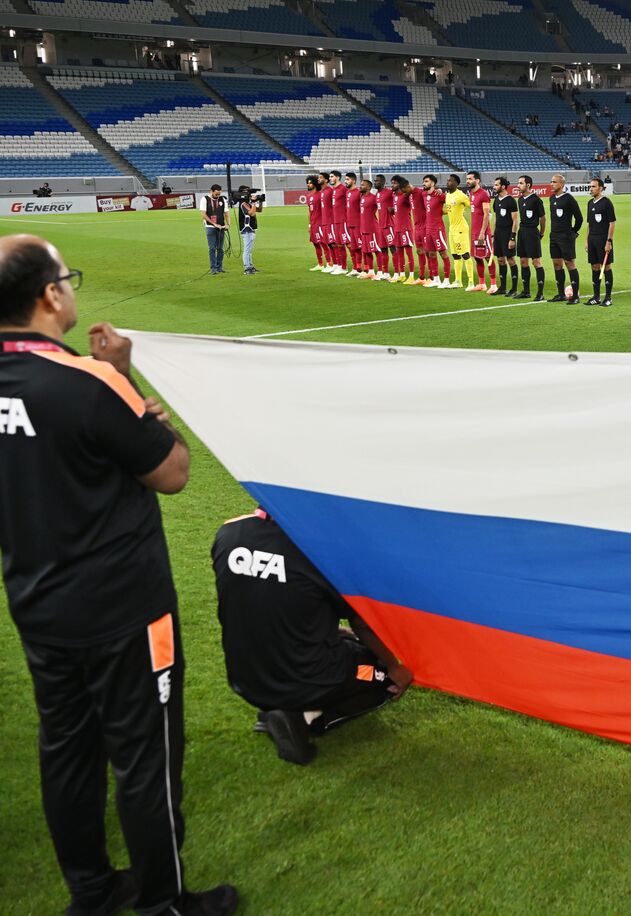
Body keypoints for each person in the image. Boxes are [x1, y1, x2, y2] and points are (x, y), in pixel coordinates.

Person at [0, 235, 237, 915]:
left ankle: (93, 892)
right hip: (123, 608)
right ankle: (163, 902)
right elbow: (172, 471)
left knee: (67, 750)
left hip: (38, 602)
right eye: (66, 278)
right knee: (145, 756)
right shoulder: (89, 379)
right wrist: (126, 381)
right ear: (50, 295)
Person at [212, 509, 413, 766]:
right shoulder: (320, 550)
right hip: (307, 677)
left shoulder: (229, 532)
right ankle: (305, 717)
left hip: (245, 676)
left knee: (349, 644)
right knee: (383, 677)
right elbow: (362, 624)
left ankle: (287, 708)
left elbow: (262, 600)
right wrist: (394, 665)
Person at [547, 174, 583, 304]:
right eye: (551, 182)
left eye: (554, 182)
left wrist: (573, 232)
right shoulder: (551, 198)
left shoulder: (569, 199)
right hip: (554, 236)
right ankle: (561, 294)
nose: (551, 184)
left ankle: (575, 296)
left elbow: (579, 218)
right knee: (557, 264)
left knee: (569, 263)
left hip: (566, 236)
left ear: (561, 184)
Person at [514, 175, 547, 301]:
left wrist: (542, 233)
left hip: (533, 232)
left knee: (536, 262)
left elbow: (543, 218)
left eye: (521, 183)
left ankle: (540, 293)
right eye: (518, 183)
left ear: (528, 185)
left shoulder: (536, 200)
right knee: (523, 261)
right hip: (522, 232)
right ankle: (526, 291)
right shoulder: (520, 200)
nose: (518, 185)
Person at [584, 177, 616, 306]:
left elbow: (612, 223)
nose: (590, 189)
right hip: (592, 239)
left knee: (606, 267)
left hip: (603, 239)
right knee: (594, 266)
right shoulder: (590, 203)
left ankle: (608, 298)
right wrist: (586, 241)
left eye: (593, 186)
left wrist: (609, 241)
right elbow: (589, 224)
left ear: (601, 188)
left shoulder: (607, 203)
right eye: (590, 186)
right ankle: (596, 297)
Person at [465, 171, 496, 292]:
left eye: (470, 179)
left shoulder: (483, 194)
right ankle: (481, 284)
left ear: (477, 180)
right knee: (477, 257)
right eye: (467, 179)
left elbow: (486, 214)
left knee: (488, 257)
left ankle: (493, 285)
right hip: (474, 232)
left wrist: (483, 232)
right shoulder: (471, 193)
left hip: (483, 233)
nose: (468, 181)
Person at [490, 176, 518, 296]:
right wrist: (493, 234)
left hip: (508, 235)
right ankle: (503, 287)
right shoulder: (496, 200)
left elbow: (515, 221)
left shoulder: (511, 201)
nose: (494, 187)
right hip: (498, 235)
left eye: (496, 185)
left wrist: (512, 238)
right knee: (500, 259)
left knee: (510, 260)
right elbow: (496, 218)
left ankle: (514, 288)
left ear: (503, 186)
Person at [421, 175, 450, 288]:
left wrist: (441, 191)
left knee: (443, 253)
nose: (424, 183)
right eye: (423, 181)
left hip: (438, 229)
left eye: (426, 181)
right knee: (431, 254)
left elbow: (451, 200)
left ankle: (446, 280)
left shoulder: (439, 195)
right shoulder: (423, 194)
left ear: (433, 183)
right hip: (428, 229)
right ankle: (436, 279)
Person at [443, 174, 471, 290]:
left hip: (460, 229)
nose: (447, 182)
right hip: (452, 229)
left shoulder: (461, 196)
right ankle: (458, 281)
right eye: (447, 180)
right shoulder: (448, 195)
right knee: (455, 255)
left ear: (456, 183)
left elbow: (472, 206)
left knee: (465, 254)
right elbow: (448, 210)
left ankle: (471, 282)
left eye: (450, 181)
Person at [355, 177, 382, 281]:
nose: (360, 186)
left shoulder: (373, 197)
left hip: (372, 229)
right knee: (366, 251)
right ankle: (371, 272)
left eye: (362, 185)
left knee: (377, 250)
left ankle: (380, 272)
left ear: (369, 187)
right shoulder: (362, 197)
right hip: (364, 229)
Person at [389, 176, 415, 284]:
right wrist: (393, 211)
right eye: (392, 183)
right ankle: (402, 274)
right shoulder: (394, 196)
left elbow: (414, 191)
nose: (392, 185)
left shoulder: (406, 196)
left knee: (409, 252)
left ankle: (412, 276)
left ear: (400, 185)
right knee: (399, 252)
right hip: (397, 228)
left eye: (394, 183)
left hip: (406, 228)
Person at [201, 184, 228, 275]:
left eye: (219, 194)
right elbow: (203, 214)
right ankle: (213, 268)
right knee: (212, 248)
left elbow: (226, 213)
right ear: (211, 191)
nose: (218, 196)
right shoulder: (204, 199)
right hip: (210, 227)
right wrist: (214, 224)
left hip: (221, 227)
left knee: (220, 248)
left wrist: (228, 224)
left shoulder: (223, 199)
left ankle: (219, 267)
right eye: (216, 194)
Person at [235, 185, 261, 276]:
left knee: (249, 250)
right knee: (247, 250)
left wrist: (259, 201)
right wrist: (254, 203)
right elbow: (252, 213)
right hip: (247, 229)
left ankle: (250, 266)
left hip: (250, 228)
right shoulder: (243, 203)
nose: (249, 194)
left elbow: (259, 210)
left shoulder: (247, 203)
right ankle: (247, 268)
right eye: (247, 192)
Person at [317, 171, 339, 275]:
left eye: (320, 178)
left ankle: (339, 265)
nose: (318, 179)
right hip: (324, 221)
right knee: (329, 244)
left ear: (326, 180)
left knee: (334, 243)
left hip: (331, 221)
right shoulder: (321, 192)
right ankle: (334, 265)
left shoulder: (330, 191)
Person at [409, 175, 429, 285]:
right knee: (419, 251)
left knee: (428, 252)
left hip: (426, 227)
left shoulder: (420, 192)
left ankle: (432, 277)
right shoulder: (410, 195)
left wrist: (439, 190)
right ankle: (422, 277)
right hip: (416, 227)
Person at [329, 170, 350, 273]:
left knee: (348, 244)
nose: (330, 179)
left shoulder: (343, 189)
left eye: (332, 176)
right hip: (336, 221)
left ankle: (356, 267)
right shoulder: (334, 190)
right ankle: (342, 266)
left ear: (337, 177)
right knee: (338, 244)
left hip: (343, 221)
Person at [374, 174, 394, 280]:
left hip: (389, 225)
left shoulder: (389, 192)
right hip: (381, 226)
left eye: (377, 181)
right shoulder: (377, 194)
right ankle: (385, 273)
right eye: (374, 180)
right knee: (383, 250)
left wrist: (394, 209)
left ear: (383, 182)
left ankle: (397, 273)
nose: (375, 182)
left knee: (393, 249)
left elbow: (400, 200)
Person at [343, 173, 363, 277]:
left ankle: (366, 269)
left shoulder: (359, 192)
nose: (345, 181)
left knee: (361, 247)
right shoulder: (347, 192)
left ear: (354, 181)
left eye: (348, 179)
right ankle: (356, 268)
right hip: (349, 223)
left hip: (358, 223)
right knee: (353, 247)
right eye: (345, 179)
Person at [305, 175, 326, 272]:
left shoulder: (320, 194)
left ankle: (330, 263)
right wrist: (309, 224)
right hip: (313, 224)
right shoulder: (308, 197)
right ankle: (320, 264)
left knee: (324, 244)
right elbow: (310, 211)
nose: (308, 184)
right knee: (315, 244)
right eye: (307, 183)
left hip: (320, 223)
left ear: (315, 184)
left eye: (310, 183)